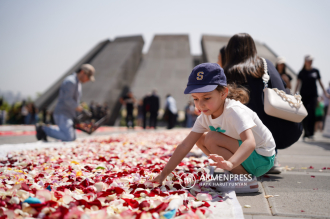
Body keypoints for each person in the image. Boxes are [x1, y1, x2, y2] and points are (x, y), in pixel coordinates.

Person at [152, 63, 275, 193]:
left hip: (262, 158)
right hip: (249, 157)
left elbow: (250, 142)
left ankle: (245, 179)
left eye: (207, 98)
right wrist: (164, 174)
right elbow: (184, 146)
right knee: (199, 139)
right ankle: (236, 172)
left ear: (223, 93)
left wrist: (231, 163)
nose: (201, 104)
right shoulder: (205, 116)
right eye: (195, 99)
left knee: (211, 138)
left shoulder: (234, 110)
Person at [224, 33, 303, 174]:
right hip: (277, 129)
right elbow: (281, 89)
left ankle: (244, 161)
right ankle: (271, 157)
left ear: (229, 50)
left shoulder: (227, 72)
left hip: (243, 130)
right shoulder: (264, 65)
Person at [36, 64, 95, 141]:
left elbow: (74, 101)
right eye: (88, 77)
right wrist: (82, 110)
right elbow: (67, 99)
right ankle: (43, 129)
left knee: (73, 137)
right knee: (68, 137)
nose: (88, 80)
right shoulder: (71, 81)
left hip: (69, 114)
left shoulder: (78, 83)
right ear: (82, 72)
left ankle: (49, 129)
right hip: (62, 113)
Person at [295, 55, 330, 140]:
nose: (310, 62)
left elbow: (320, 82)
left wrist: (325, 93)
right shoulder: (302, 72)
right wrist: (295, 94)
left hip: (313, 96)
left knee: (312, 113)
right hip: (304, 95)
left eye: (311, 60)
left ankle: (311, 133)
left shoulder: (316, 71)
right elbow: (298, 84)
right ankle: (305, 133)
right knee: (304, 114)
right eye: (308, 60)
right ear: (305, 61)